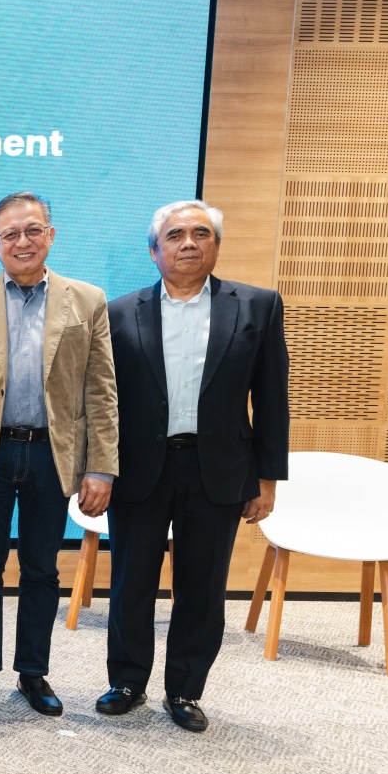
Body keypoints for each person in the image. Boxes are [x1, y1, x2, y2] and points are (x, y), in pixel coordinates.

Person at [99, 200, 288, 732]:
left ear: (216, 246)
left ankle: (185, 690)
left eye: (201, 234)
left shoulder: (257, 306)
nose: (189, 243)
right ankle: (127, 681)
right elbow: (102, 401)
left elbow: (272, 398)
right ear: (153, 251)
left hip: (219, 469)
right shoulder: (118, 312)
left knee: (202, 588)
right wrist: (98, 468)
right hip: (140, 467)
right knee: (131, 581)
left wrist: (267, 479)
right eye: (175, 235)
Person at [0, 192, 118, 717]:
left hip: (51, 455)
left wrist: (102, 466)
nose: (23, 241)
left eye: (33, 230)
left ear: (50, 236)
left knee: (41, 569)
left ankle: (33, 671)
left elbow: (101, 390)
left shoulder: (88, 300)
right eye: (10, 234)